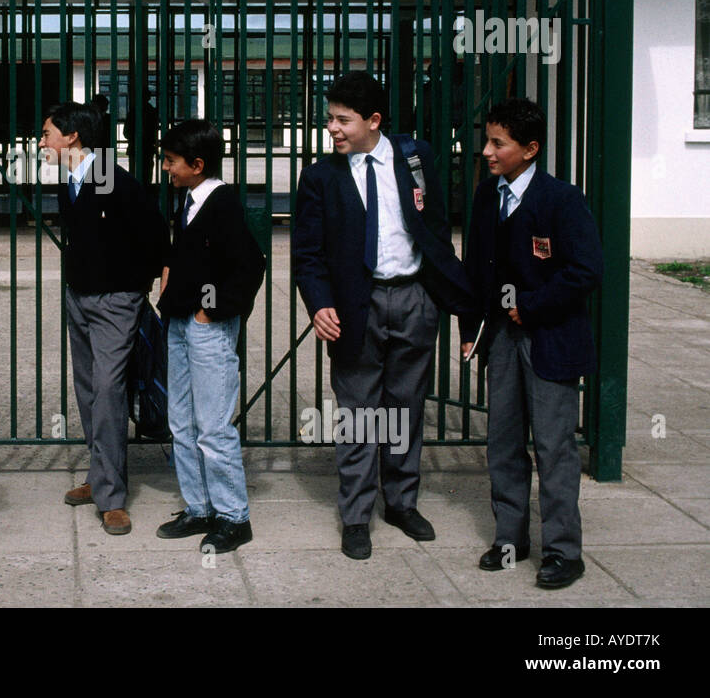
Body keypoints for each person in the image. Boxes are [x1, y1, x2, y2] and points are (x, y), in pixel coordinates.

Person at [292, 72, 472, 560]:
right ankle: (355, 515)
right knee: (357, 415)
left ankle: (402, 503)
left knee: (405, 408)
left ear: (373, 121)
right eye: (329, 118)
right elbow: (308, 254)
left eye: (342, 120)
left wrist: (451, 300)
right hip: (356, 307)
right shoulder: (320, 177)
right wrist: (319, 302)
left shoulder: (416, 158)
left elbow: (434, 228)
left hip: (414, 299)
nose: (332, 128)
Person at [459, 98, 602, 590]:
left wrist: (533, 304)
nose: (487, 151)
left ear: (530, 148)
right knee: (502, 442)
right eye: (488, 140)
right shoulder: (486, 196)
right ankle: (510, 538)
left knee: (553, 447)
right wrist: (469, 328)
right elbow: (477, 266)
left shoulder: (561, 199)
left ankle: (564, 551)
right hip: (500, 339)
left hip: (550, 341)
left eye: (499, 143)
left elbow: (586, 269)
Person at [42, 102, 169, 535]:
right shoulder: (70, 182)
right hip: (79, 297)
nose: (41, 143)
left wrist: (135, 288)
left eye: (47, 134)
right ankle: (100, 476)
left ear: (73, 137)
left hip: (115, 301)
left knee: (109, 390)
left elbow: (155, 235)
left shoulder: (118, 182)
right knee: (88, 391)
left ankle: (112, 498)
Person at [155, 119, 266, 554]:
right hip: (182, 324)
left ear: (198, 164)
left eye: (171, 162)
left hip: (206, 328)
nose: (167, 169)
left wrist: (208, 311)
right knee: (181, 421)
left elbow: (250, 267)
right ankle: (199, 506)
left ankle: (234, 516)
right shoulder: (189, 200)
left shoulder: (222, 204)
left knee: (213, 426)